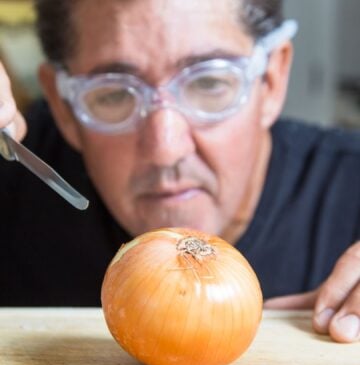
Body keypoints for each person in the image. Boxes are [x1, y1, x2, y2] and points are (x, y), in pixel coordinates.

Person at [0, 0, 359, 343]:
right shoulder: (12, 186)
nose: (165, 150)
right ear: (62, 105)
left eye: (208, 83)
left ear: (272, 80)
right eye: (114, 94)